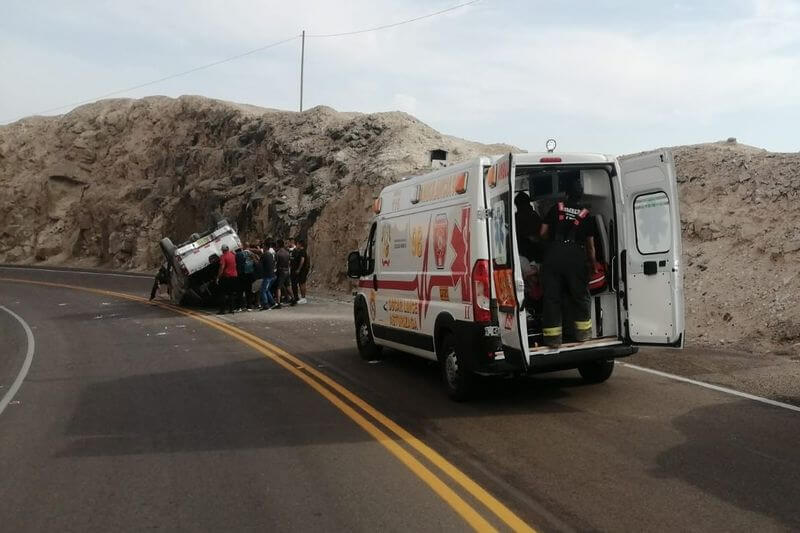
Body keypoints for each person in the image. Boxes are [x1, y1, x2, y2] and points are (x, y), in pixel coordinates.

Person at [538, 176, 600, 347]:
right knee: (580, 296)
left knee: (552, 298)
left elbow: (542, 232)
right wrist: (593, 264)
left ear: (566, 194)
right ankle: (583, 335)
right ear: (580, 196)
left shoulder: (556, 208)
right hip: (575, 257)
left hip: (553, 256)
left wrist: (552, 243)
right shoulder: (586, 214)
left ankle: (553, 339)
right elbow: (590, 246)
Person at [216, 244, 238, 314]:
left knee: (223, 293)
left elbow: (222, 267)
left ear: (223, 250)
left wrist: (218, 277)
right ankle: (231, 309)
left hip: (226, 277)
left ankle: (222, 310)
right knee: (231, 294)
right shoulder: (233, 255)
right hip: (234, 276)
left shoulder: (223, 256)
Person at [274, 239, 293, 308]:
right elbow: (289, 262)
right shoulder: (287, 252)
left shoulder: (278, 253)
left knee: (278, 287)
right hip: (287, 270)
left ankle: (278, 303)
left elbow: (276, 263)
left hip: (281, 270)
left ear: (278, 244)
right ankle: (293, 299)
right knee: (288, 285)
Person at [290, 238, 310, 304]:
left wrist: (299, 269)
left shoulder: (302, 251)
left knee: (302, 283)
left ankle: (303, 298)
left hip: (302, 270)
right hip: (303, 270)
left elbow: (302, 260)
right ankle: (303, 298)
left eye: (297, 244)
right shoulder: (304, 251)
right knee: (302, 283)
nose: (296, 245)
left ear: (300, 244)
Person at [259, 241, 277, 310]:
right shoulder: (270, 254)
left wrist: (254, 258)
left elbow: (259, 264)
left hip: (267, 276)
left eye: (263, 246)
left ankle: (265, 304)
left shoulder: (264, 255)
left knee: (263, 290)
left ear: (266, 247)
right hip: (272, 275)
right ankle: (272, 303)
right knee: (267, 290)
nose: (262, 248)